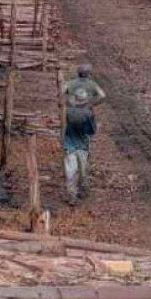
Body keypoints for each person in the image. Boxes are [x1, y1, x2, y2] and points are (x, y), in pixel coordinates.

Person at [63, 65, 106, 203]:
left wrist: (67, 102)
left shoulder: (70, 85)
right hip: (83, 143)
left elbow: (60, 91)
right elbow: (102, 96)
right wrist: (91, 104)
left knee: (70, 169)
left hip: (69, 142)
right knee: (83, 166)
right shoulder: (92, 85)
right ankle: (84, 189)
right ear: (88, 74)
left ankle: (71, 195)